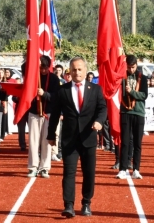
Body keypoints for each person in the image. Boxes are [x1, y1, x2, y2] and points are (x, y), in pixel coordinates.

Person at [47, 56, 107, 218]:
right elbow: (54, 115)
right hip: (69, 139)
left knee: (89, 173)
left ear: (85, 70)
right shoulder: (62, 91)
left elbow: (102, 109)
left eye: (80, 69)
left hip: (88, 138)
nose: (77, 72)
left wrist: (99, 121)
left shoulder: (95, 90)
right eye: (74, 69)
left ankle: (86, 202)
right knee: (69, 172)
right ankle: (69, 205)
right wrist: (51, 135)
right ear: (69, 72)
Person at [27, 55, 60, 178]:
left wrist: (44, 94)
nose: (43, 70)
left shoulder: (54, 79)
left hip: (48, 113)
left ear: (49, 67)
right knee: (33, 141)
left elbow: (56, 97)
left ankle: (45, 167)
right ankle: (33, 167)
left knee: (46, 142)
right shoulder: (33, 77)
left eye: (45, 68)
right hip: (34, 113)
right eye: (41, 67)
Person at [116, 55, 148, 180]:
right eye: (129, 68)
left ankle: (136, 169)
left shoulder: (143, 78)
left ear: (136, 66)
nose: (131, 70)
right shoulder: (122, 78)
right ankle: (123, 169)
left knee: (137, 143)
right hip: (125, 112)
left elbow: (144, 95)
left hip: (139, 112)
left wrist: (132, 92)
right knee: (124, 141)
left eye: (133, 67)